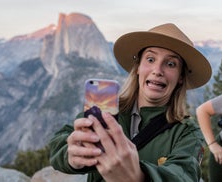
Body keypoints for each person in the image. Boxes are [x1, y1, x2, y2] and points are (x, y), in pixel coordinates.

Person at [49, 23, 212, 182]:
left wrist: (138, 177)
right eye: (150, 59)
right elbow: (59, 143)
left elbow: (184, 175)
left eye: (170, 64)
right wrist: (71, 154)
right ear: (138, 67)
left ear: (180, 77)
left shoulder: (187, 133)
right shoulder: (107, 110)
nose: (157, 70)